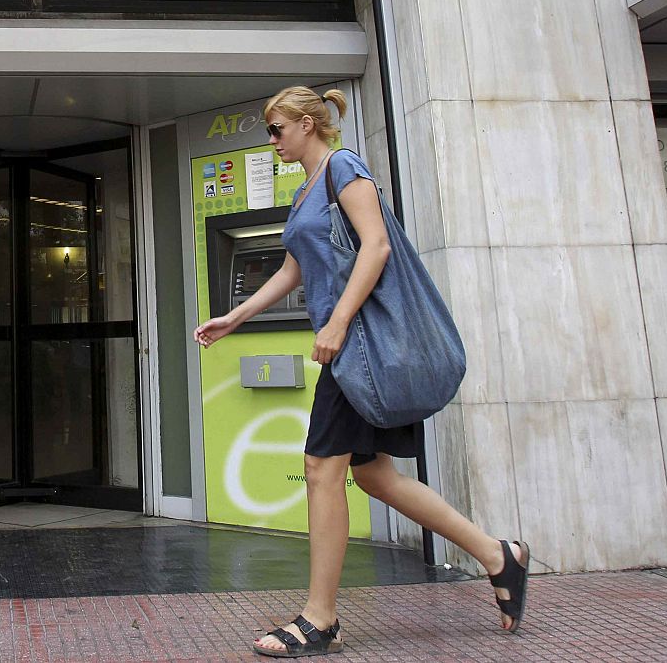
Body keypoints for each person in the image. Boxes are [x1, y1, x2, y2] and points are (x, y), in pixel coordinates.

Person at [195, 86, 529, 658]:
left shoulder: (343, 167)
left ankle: (320, 618)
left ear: (307, 124)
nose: (271, 140)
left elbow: (375, 247)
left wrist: (337, 323)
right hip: (350, 350)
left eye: (276, 129)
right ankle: (499, 555)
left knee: (321, 466)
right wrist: (238, 315)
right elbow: (295, 267)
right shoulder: (305, 190)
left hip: (356, 345)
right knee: (373, 476)